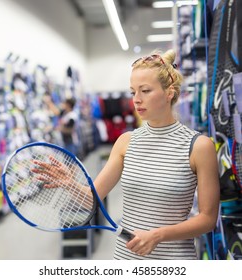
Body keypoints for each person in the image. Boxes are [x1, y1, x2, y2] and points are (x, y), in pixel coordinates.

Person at [92, 49, 220, 259]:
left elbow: (207, 218)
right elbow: (92, 197)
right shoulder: (126, 142)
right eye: (133, 92)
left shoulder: (199, 146)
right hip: (125, 259)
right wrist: (68, 184)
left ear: (169, 92)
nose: (136, 100)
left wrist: (158, 235)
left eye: (145, 91)